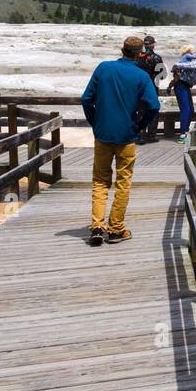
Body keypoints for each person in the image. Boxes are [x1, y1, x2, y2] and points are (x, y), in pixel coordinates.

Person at [80, 35, 160, 246]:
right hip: (126, 136)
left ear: (122, 50)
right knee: (123, 182)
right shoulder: (141, 76)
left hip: (103, 134)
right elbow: (153, 106)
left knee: (100, 180)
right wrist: (141, 126)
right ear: (140, 53)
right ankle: (116, 229)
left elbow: (86, 99)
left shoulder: (103, 68)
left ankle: (97, 226)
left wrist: (95, 121)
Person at [169, 45, 196, 143]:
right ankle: (182, 135)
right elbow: (176, 65)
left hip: (186, 86)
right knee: (186, 110)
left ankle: (186, 131)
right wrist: (176, 73)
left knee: (191, 110)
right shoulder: (195, 65)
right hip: (180, 85)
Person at [133, 35, 165, 144]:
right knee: (153, 110)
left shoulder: (137, 57)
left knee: (140, 111)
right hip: (152, 86)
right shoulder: (156, 58)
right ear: (153, 45)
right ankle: (151, 136)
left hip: (139, 87)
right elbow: (162, 75)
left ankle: (138, 136)